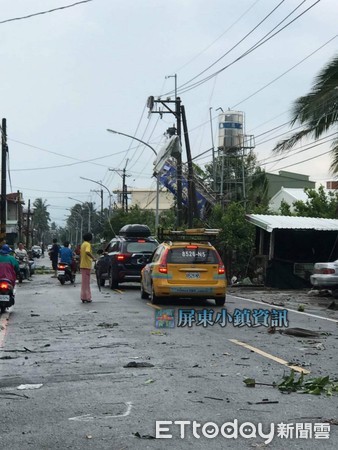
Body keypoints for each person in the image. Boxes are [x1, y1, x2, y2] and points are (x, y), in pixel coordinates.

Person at [80, 233, 96, 303]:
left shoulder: (83, 244)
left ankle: (84, 297)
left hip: (83, 265)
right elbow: (87, 252)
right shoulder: (88, 244)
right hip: (86, 265)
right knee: (86, 283)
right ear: (90, 238)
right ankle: (87, 297)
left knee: (84, 283)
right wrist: (93, 258)